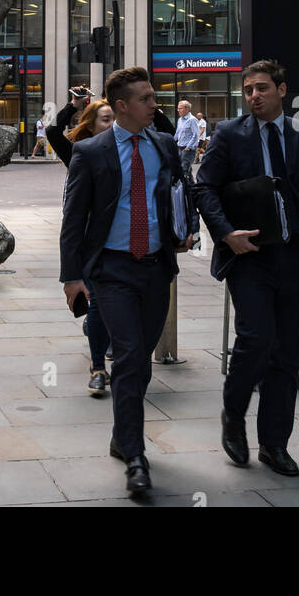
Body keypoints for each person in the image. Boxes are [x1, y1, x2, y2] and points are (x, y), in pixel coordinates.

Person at [195, 58, 299, 479]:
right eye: (248, 91)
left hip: (295, 253)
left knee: (286, 354)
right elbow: (204, 187)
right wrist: (226, 234)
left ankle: (275, 444)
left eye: (261, 88)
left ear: (281, 89)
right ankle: (233, 413)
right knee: (255, 338)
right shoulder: (228, 135)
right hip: (249, 254)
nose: (254, 96)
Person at [60, 66, 194, 497]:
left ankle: (122, 436)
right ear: (122, 106)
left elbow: (180, 191)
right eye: (146, 99)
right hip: (111, 270)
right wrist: (71, 276)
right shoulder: (92, 152)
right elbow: (74, 218)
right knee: (132, 354)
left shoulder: (164, 144)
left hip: (156, 268)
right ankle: (136, 456)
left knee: (141, 362)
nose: (155, 104)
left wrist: (183, 229)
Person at [46, 88, 114, 397]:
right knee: (98, 302)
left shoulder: (130, 147)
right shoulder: (77, 151)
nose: (112, 125)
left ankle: (98, 333)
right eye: (105, 119)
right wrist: (71, 106)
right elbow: (51, 130)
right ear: (90, 125)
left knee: (107, 307)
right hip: (90, 240)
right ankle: (98, 366)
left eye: (115, 118)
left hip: (122, 240)